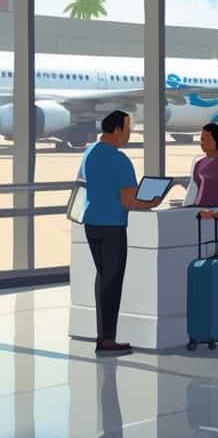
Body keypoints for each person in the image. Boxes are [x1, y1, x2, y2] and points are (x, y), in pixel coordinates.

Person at [80, 110, 164, 356]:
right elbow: (128, 200)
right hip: (112, 227)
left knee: (103, 277)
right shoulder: (120, 160)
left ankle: (102, 335)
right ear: (117, 130)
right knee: (112, 282)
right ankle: (107, 340)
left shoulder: (90, 152)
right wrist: (151, 201)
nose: (129, 134)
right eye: (128, 128)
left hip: (92, 222)